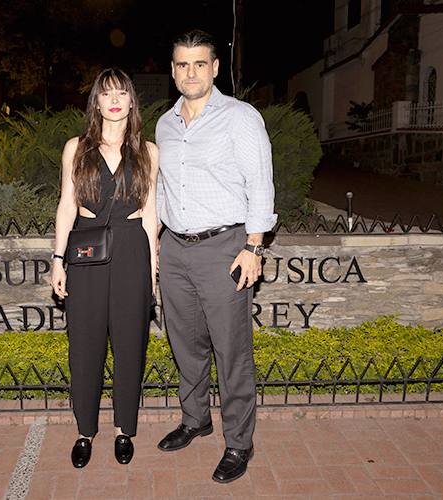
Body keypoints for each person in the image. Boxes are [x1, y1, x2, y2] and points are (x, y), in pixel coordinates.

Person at [155, 30, 277, 483]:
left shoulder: (240, 117)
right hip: (174, 249)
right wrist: (156, 245)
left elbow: (260, 183)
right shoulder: (165, 124)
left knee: (231, 351)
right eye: (183, 64)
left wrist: (254, 246)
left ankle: (239, 442)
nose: (191, 72)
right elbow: (163, 189)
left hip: (226, 247)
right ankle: (195, 420)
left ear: (215, 68)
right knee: (185, 344)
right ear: (173, 70)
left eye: (200, 64)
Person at [51, 68, 159, 469]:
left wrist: (152, 270)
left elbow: (150, 214)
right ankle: (85, 432)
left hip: (132, 251)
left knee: (131, 345)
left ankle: (123, 430)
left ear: (131, 102)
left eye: (121, 93)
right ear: (96, 102)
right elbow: (67, 205)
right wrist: (58, 259)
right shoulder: (76, 148)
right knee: (85, 346)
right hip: (87, 253)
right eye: (106, 93)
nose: (114, 100)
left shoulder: (149, 152)